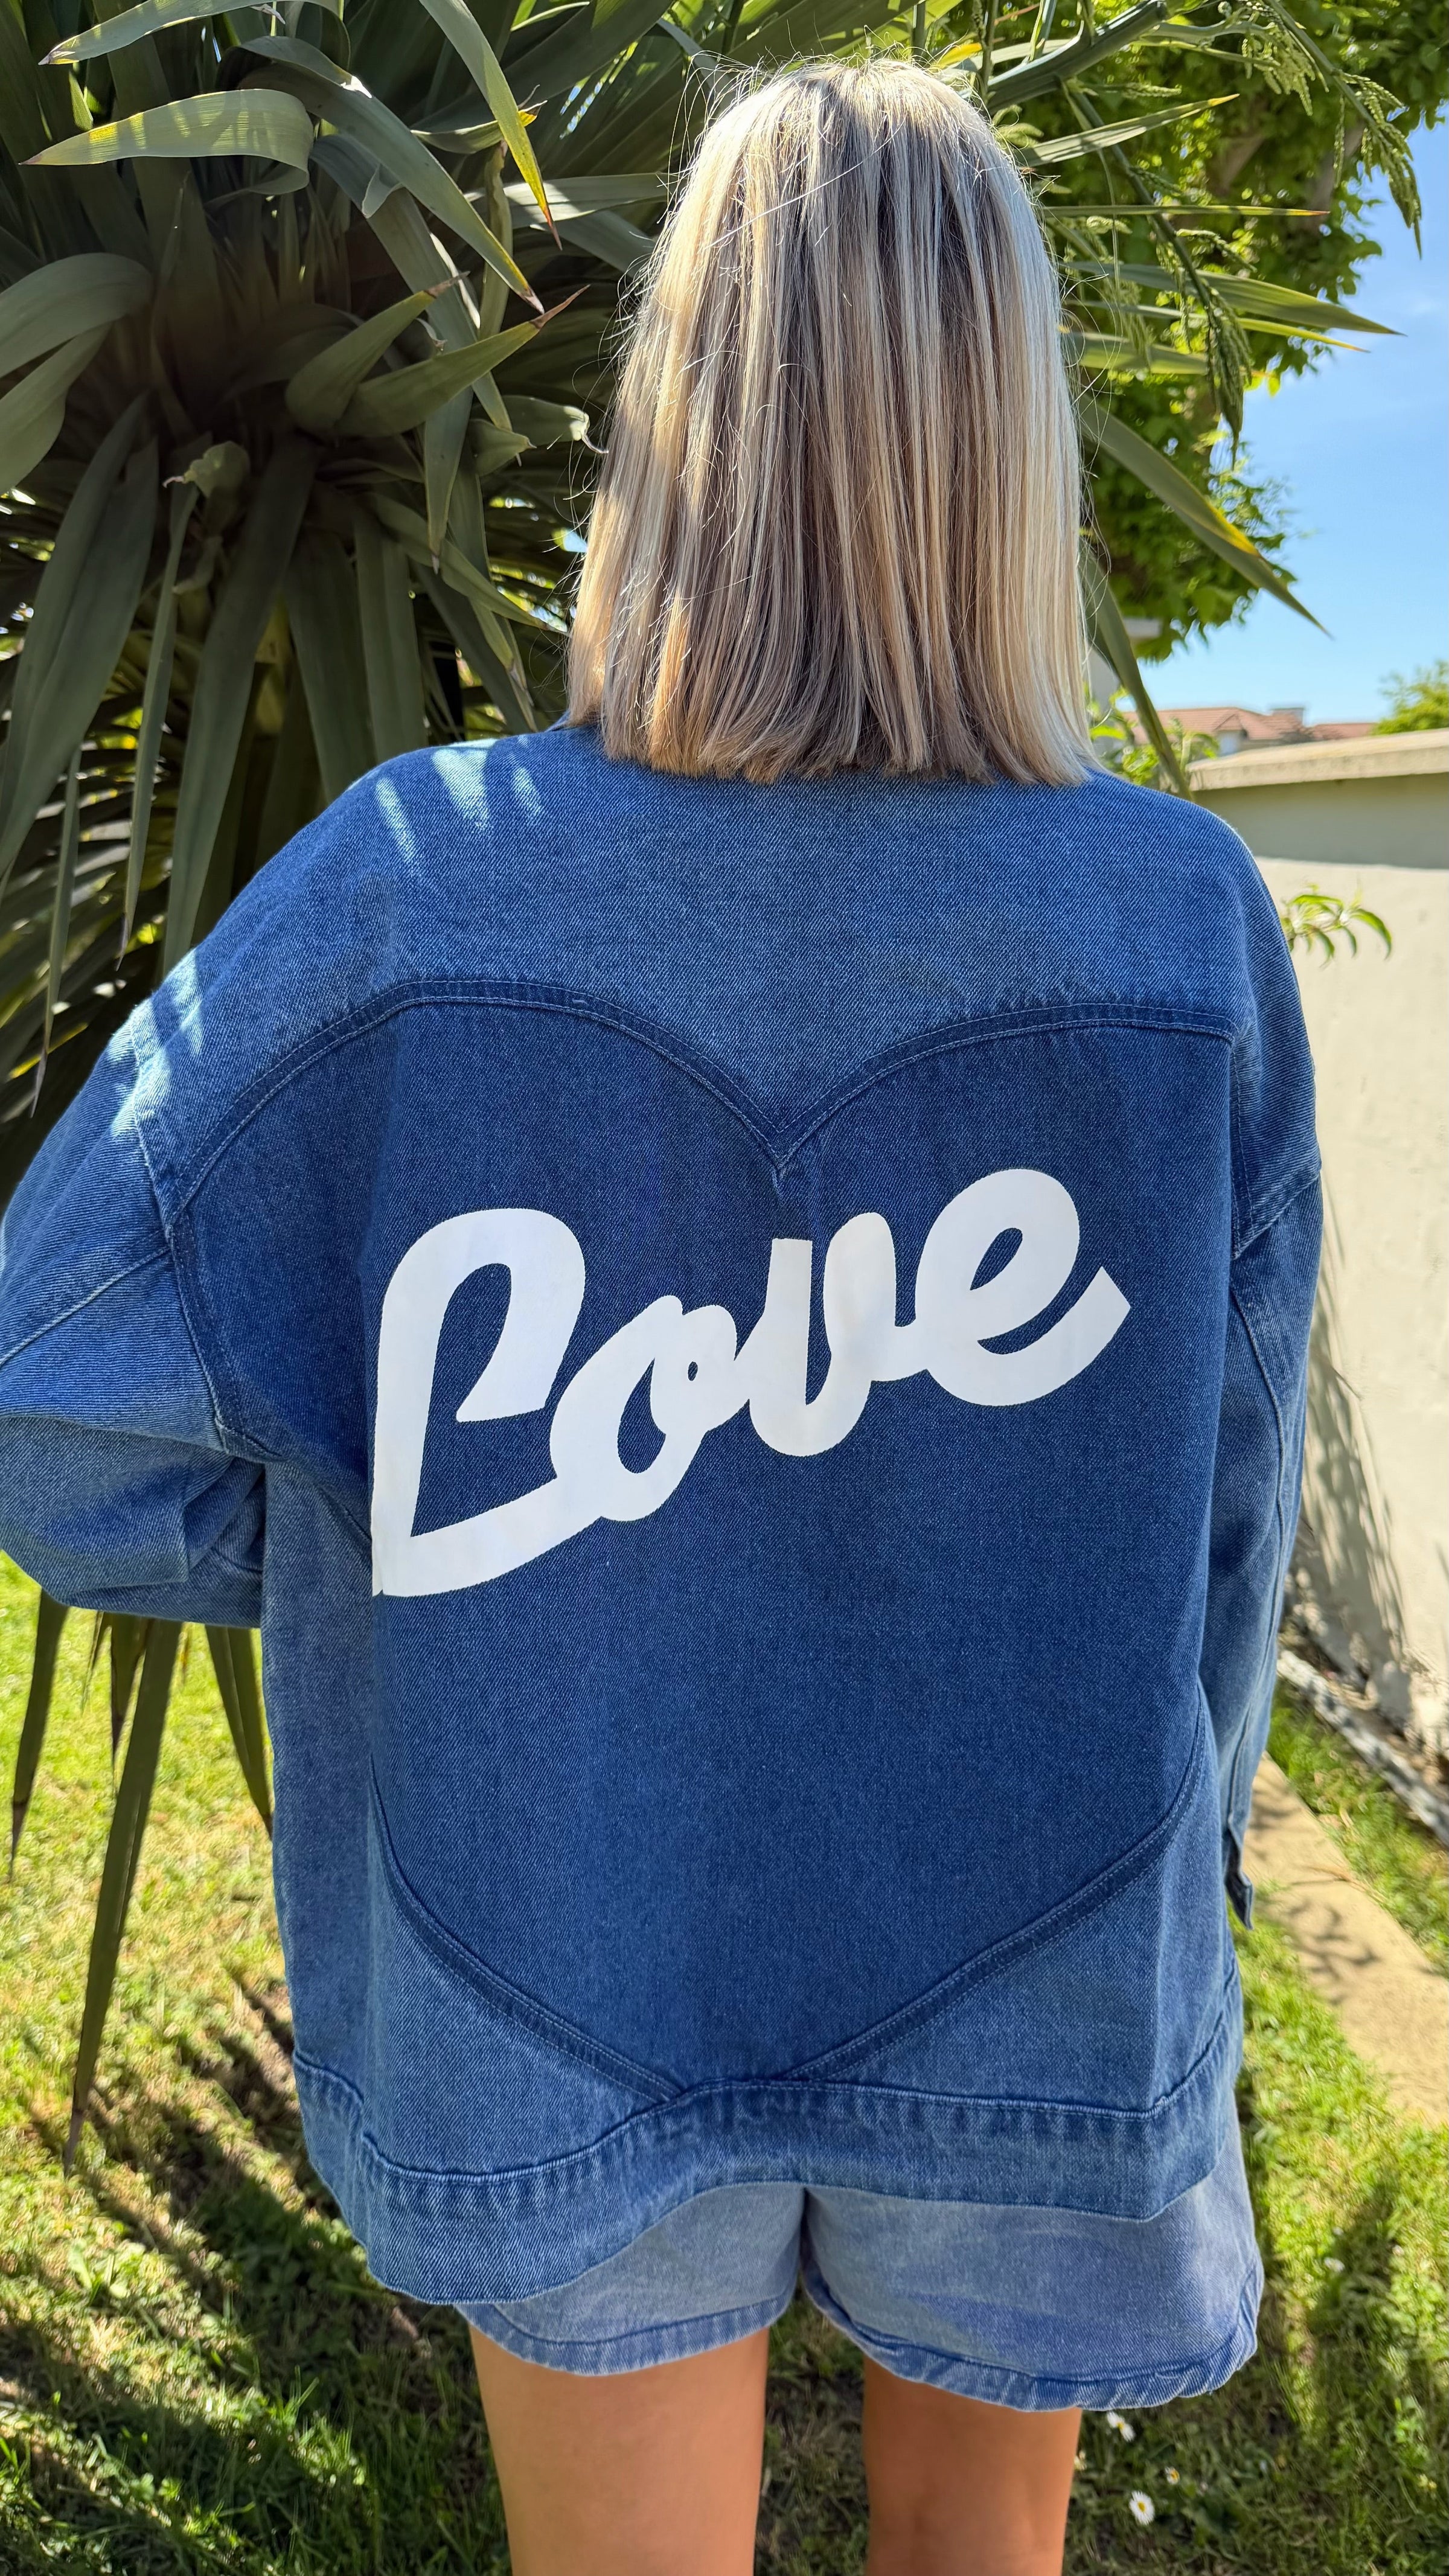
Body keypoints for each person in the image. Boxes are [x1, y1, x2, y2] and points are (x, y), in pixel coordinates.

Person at [0, 57, 1318, 2576]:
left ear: (675, 413)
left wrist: (413, 1565)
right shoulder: (1183, 935)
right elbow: (1220, 1540)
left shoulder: (414, 889)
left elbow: (49, 1387)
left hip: (553, 1942)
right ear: (1008, 443)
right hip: (1046, 1941)